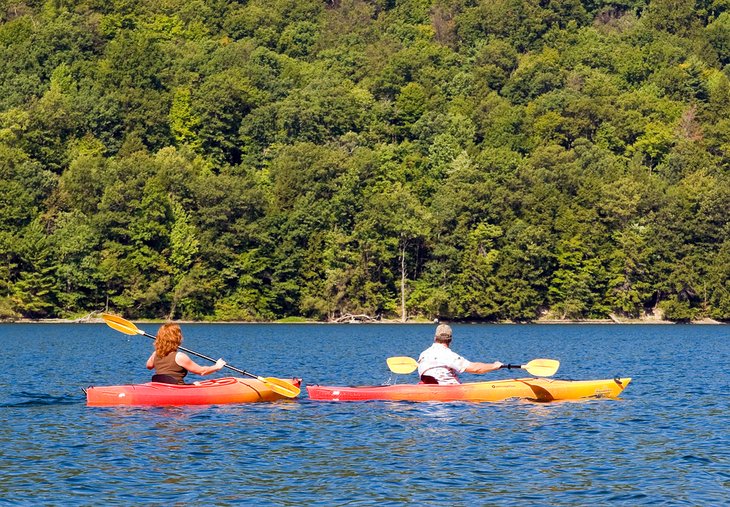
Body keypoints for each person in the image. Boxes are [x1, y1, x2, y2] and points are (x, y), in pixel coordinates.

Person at [417, 324, 502, 384]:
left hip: (429, 394)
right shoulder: (448, 355)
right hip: (448, 397)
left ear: (435, 338)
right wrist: (495, 366)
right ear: (450, 340)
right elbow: (476, 369)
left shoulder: (423, 354)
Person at [146, 323, 226, 384]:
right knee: (197, 384)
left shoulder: (156, 353)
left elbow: (149, 366)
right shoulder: (180, 356)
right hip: (175, 389)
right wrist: (217, 366)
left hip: (161, 386)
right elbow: (202, 371)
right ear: (177, 338)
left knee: (196, 384)